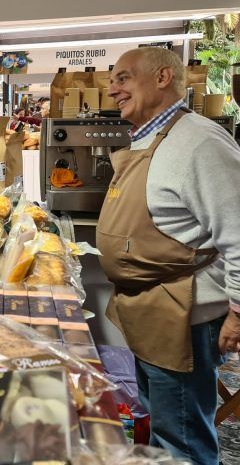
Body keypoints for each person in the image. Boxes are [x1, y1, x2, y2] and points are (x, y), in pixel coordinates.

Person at [98, 47, 240, 465]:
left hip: (182, 318)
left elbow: (238, 229)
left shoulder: (199, 141)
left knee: (182, 442)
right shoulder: (153, 137)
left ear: (162, 78)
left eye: (123, 78)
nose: (113, 90)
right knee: (162, 431)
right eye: (112, 80)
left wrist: (237, 311)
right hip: (151, 313)